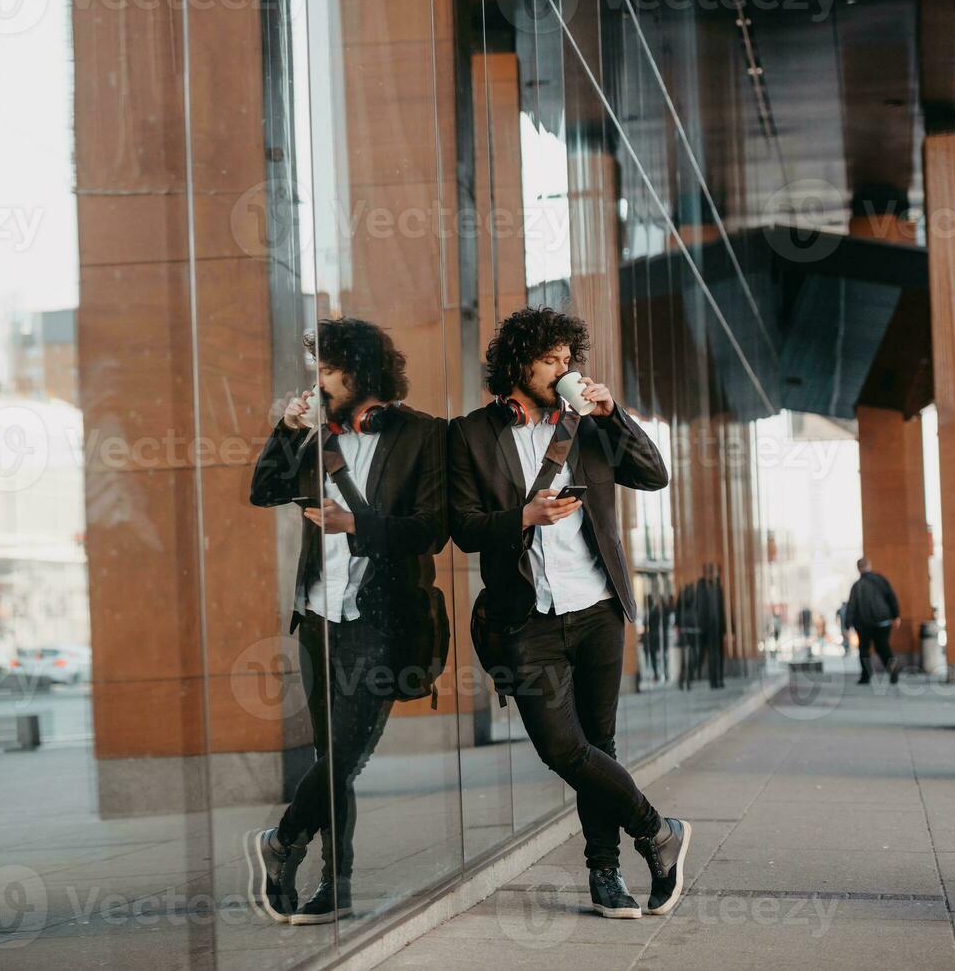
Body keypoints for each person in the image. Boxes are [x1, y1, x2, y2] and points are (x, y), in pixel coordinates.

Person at [447, 306, 691, 920]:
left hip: (597, 608)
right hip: (525, 618)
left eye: (567, 361)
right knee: (563, 747)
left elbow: (654, 474)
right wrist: (522, 518)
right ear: (518, 362)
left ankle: (605, 874)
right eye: (551, 360)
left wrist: (614, 415)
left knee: (599, 742)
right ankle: (657, 830)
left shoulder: (587, 426)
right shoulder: (471, 433)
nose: (563, 370)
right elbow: (463, 528)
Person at [246, 317, 447, 924]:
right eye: (318, 371)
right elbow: (263, 490)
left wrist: (358, 525)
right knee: (333, 758)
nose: (321, 383)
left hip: (378, 619)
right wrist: (284, 429)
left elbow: (433, 531)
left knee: (346, 756)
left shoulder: (423, 436)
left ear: (362, 374)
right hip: (316, 618)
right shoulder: (316, 438)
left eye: (330, 371)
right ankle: (335, 886)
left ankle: (281, 842)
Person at [844, 557, 901, 685]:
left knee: (864, 650)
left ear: (858, 569)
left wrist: (847, 625)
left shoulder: (857, 586)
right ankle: (892, 670)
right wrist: (896, 616)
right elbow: (891, 597)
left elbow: (851, 606)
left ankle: (866, 676)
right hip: (883, 621)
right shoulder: (881, 580)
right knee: (883, 648)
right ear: (869, 565)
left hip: (864, 623)